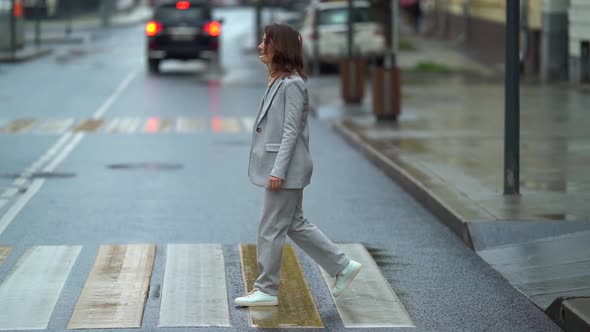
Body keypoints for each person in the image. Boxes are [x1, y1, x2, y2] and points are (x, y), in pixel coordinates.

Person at [234, 23, 362, 307]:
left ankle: (266, 289)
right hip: (284, 167)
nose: (259, 46)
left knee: (270, 228)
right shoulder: (278, 80)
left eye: (265, 41)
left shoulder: (292, 85)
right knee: (294, 223)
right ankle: (342, 266)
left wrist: (277, 171)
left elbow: (291, 131)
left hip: (285, 169)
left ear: (278, 47)